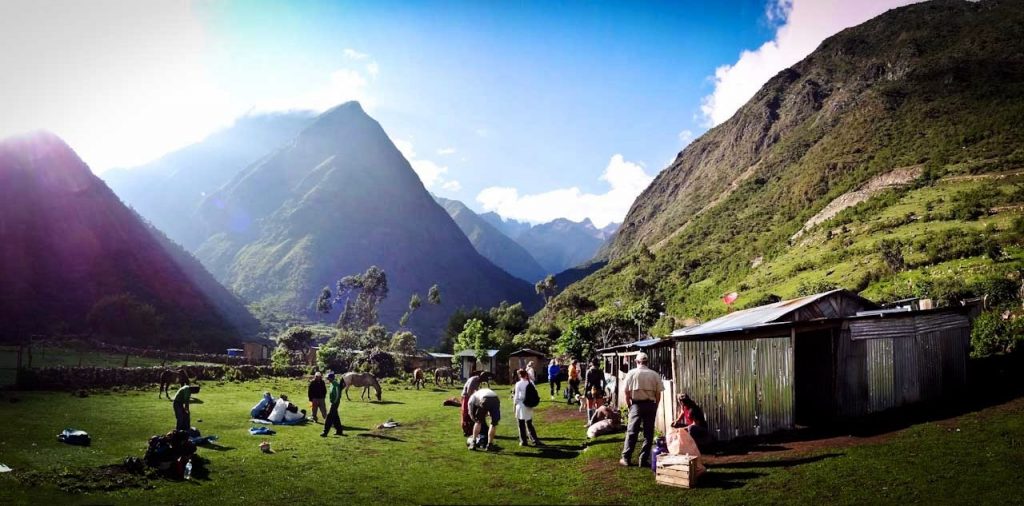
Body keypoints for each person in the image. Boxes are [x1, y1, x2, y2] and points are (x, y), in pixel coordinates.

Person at [619, 352, 664, 467]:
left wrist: (629, 405)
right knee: (648, 434)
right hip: (650, 405)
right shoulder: (654, 375)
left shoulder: (632, 373)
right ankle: (643, 459)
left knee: (632, 432)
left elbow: (626, 392)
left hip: (636, 405)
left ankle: (626, 458)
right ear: (647, 362)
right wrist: (656, 405)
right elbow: (658, 394)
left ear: (637, 362)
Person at [512, 369, 542, 446]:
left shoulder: (518, 384)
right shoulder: (531, 382)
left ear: (519, 375)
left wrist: (514, 406)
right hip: (529, 404)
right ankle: (534, 439)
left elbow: (516, 397)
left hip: (521, 404)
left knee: (521, 423)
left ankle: (523, 441)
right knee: (529, 423)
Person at [468, 386, 500, 451]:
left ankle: (473, 443)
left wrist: (473, 417)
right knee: (493, 424)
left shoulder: (473, 396)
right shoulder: (483, 391)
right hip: (496, 399)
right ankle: (489, 445)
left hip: (486, 398)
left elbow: (470, 406)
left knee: (478, 422)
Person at [583, 358, 606, 426]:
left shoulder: (589, 371)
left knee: (589, 407)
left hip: (590, 390)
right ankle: (598, 421)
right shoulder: (600, 371)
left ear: (592, 363)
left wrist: (585, 391)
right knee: (599, 407)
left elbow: (586, 383)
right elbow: (604, 381)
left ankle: (590, 422)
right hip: (598, 389)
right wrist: (603, 390)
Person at [460, 370, 483, 437]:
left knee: (471, 413)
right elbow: (469, 391)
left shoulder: (477, 380)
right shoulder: (474, 380)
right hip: (466, 397)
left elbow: (475, 390)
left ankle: (470, 430)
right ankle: (466, 430)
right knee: (466, 413)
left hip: (470, 397)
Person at [321, 373, 344, 437]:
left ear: (331, 378)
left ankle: (325, 432)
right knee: (335, 417)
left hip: (334, 403)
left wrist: (334, 403)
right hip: (332, 403)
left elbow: (337, 395)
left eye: (328, 378)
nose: (327, 379)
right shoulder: (331, 384)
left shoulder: (336, 385)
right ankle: (339, 431)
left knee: (329, 417)